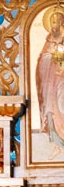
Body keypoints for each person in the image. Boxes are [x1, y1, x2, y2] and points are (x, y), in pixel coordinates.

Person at [35, 9, 64, 151]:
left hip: (62, 81)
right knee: (52, 106)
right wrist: (53, 58)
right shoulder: (50, 39)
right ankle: (56, 144)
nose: (54, 24)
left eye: (56, 21)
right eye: (52, 21)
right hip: (52, 80)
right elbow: (43, 58)